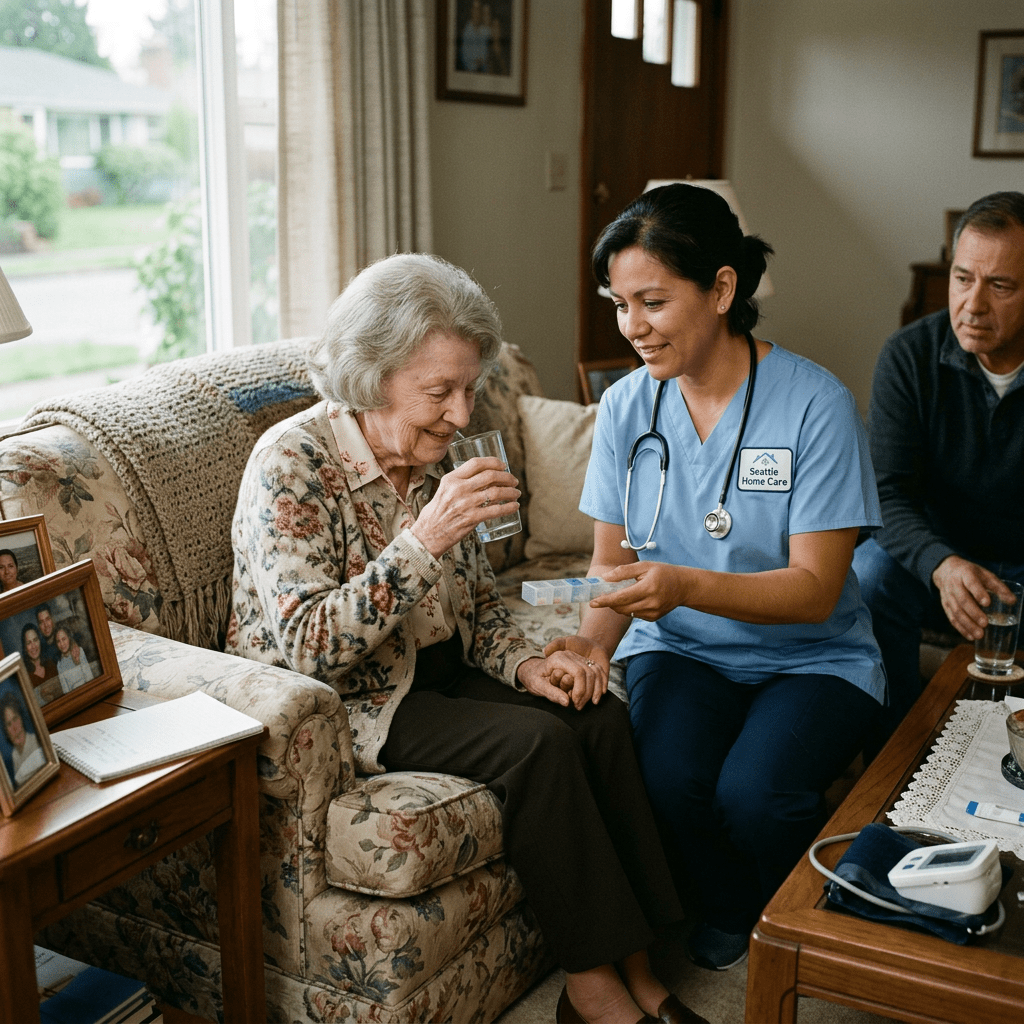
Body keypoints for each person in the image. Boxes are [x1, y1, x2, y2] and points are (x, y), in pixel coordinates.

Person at [226, 253, 704, 1024]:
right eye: (438, 392)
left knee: (599, 715)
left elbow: (479, 607)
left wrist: (531, 663)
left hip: (437, 665)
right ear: (372, 374)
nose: (460, 414)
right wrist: (427, 536)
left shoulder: (441, 452)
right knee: (537, 747)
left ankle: (641, 967)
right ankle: (592, 989)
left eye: (469, 387)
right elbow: (310, 644)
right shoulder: (292, 461)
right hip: (356, 694)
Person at [550, 183, 885, 972]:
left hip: (814, 655)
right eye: (618, 304)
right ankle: (734, 902)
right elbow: (612, 566)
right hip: (682, 650)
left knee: (756, 792)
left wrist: (686, 586)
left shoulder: (815, 404)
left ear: (723, 288)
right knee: (665, 778)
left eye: (653, 302)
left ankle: (788, 918)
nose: (632, 327)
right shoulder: (628, 406)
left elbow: (815, 588)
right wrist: (595, 649)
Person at [852, 191, 1024, 759]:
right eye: (962, 278)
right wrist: (942, 565)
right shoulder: (909, 355)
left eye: (1000, 286)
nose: (972, 304)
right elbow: (885, 492)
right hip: (935, 559)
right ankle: (896, 753)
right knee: (869, 573)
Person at [2, 692, 45, 786]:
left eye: (15, 718)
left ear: (21, 718)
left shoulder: (36, 742)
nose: (14, 727)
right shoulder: (15, 754)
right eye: (9, 724)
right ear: (6, 731)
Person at [21, 623, 61, 706]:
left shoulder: (51, 664)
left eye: (35, 640)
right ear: (25, 647)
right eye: (29, 643)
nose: (33, 646)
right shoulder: (24, 677)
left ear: (40, 641)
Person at [54, 625, 93, 693]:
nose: (62, 644)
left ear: (69, 638)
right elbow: (65, 689)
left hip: (88, 690)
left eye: (64, 639)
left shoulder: (79, 651)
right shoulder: (59, 664)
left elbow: (89, 676)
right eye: (58, 641)